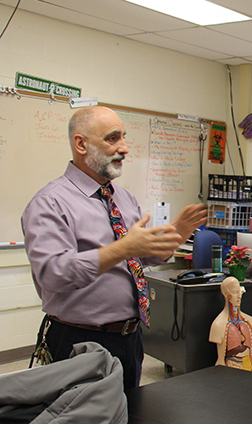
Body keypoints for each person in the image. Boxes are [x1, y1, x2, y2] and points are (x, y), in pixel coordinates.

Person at [22, 106, 207, 390]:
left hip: (129, 338)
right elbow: (53, 274)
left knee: (129, 422)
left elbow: (141, 255)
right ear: (81, 144)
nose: (124, 148)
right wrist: (122, 248)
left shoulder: (123, 198)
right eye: (112, 139)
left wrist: (175, 236)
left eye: (124, 137)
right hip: (79, 341)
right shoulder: (50, 203)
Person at [209, 277, 252, 371]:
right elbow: (220, 361)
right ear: (225, 294)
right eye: (235, 292)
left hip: (250, 370)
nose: (239, 296)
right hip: (230, 372)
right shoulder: (219, 325)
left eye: (239, 291)